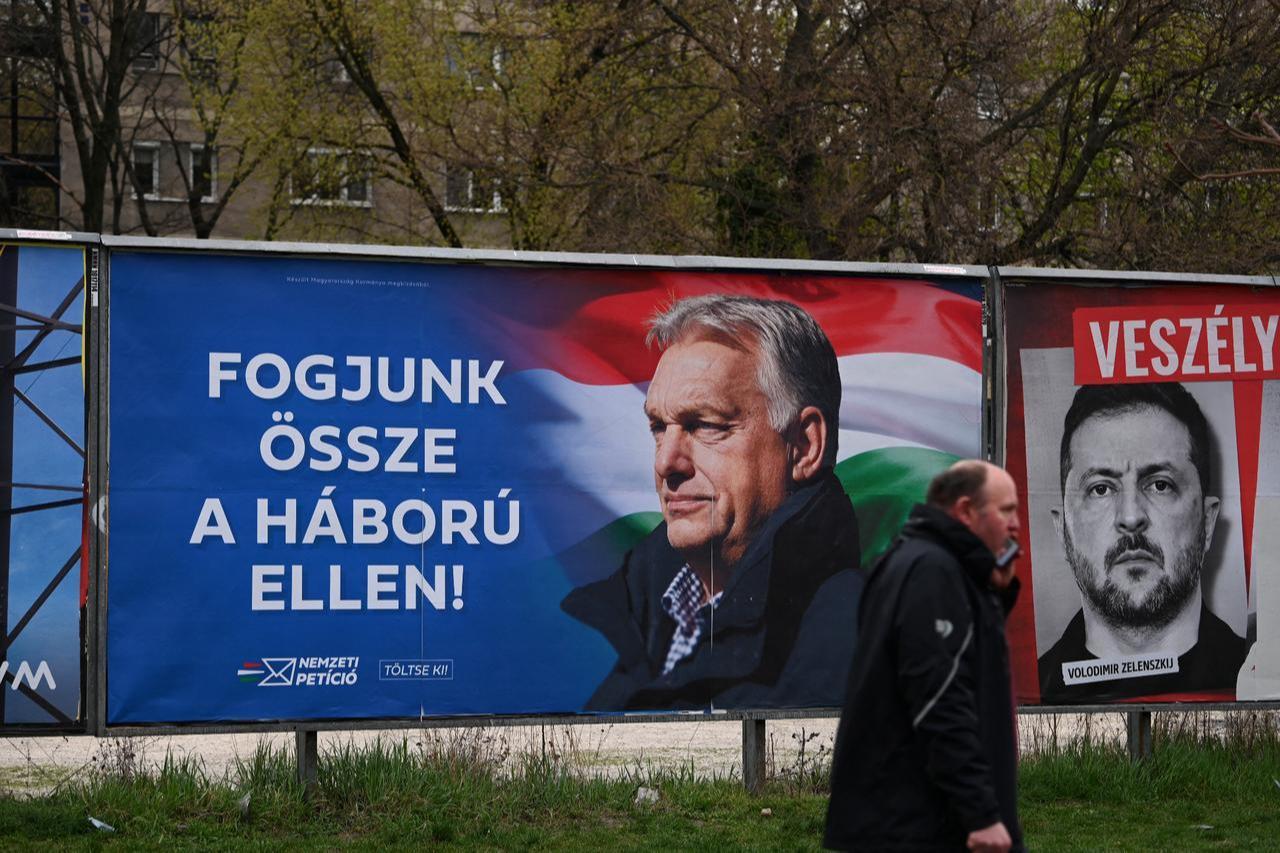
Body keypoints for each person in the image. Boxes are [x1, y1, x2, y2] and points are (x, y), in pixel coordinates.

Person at [561, 294, 862, 710]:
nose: (667, 461)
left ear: (804, 445)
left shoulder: (856, 637)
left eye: (704, 425)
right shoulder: (646, 612)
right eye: (658, 427)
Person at [825, 460, 1023, 853]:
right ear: (966, 511)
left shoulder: (921, 563)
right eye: (1006, 511)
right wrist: (981, 815)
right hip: (920, 826)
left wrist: (996, 590)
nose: (1016, 524)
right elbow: (940, 699)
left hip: (911, 822)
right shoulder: (932, 572)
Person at [1038, 382, 1248, 702]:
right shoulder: (1030, 690)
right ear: (1062, 528)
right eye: (1100, 489)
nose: (1132, 516)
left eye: (1160, 485)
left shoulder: (1252, 677)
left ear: (1207, 521)